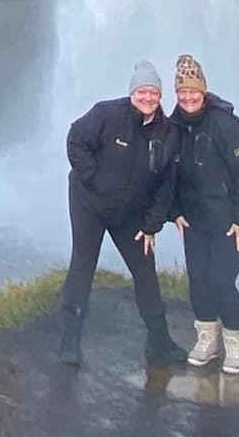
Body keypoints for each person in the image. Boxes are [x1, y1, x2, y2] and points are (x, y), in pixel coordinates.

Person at [58, 59, 184, 367]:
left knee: (144, 269)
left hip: (130, 214)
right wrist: (91, 176)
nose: (147, 98)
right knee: (83, 263)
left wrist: (152, 225)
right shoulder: (107, 114)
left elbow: (167, 184)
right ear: (132, 93)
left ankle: (160, 342)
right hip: (89, 203)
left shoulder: (167, 133)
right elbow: (76, 138)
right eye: (142, 91)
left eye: (153, 92)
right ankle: (69, 342)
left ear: (160, 95)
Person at [168, 52, 239, 375]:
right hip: (195, 221)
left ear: (204, 90)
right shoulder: (173, 127)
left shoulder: (227, 126)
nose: (188, 97)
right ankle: (207, 338)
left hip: (231, 222)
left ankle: (235, 343)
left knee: (221, 279)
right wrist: (175, 211)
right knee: (198, 279)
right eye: (182, 91)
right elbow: (166, 176)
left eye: (193, 91)